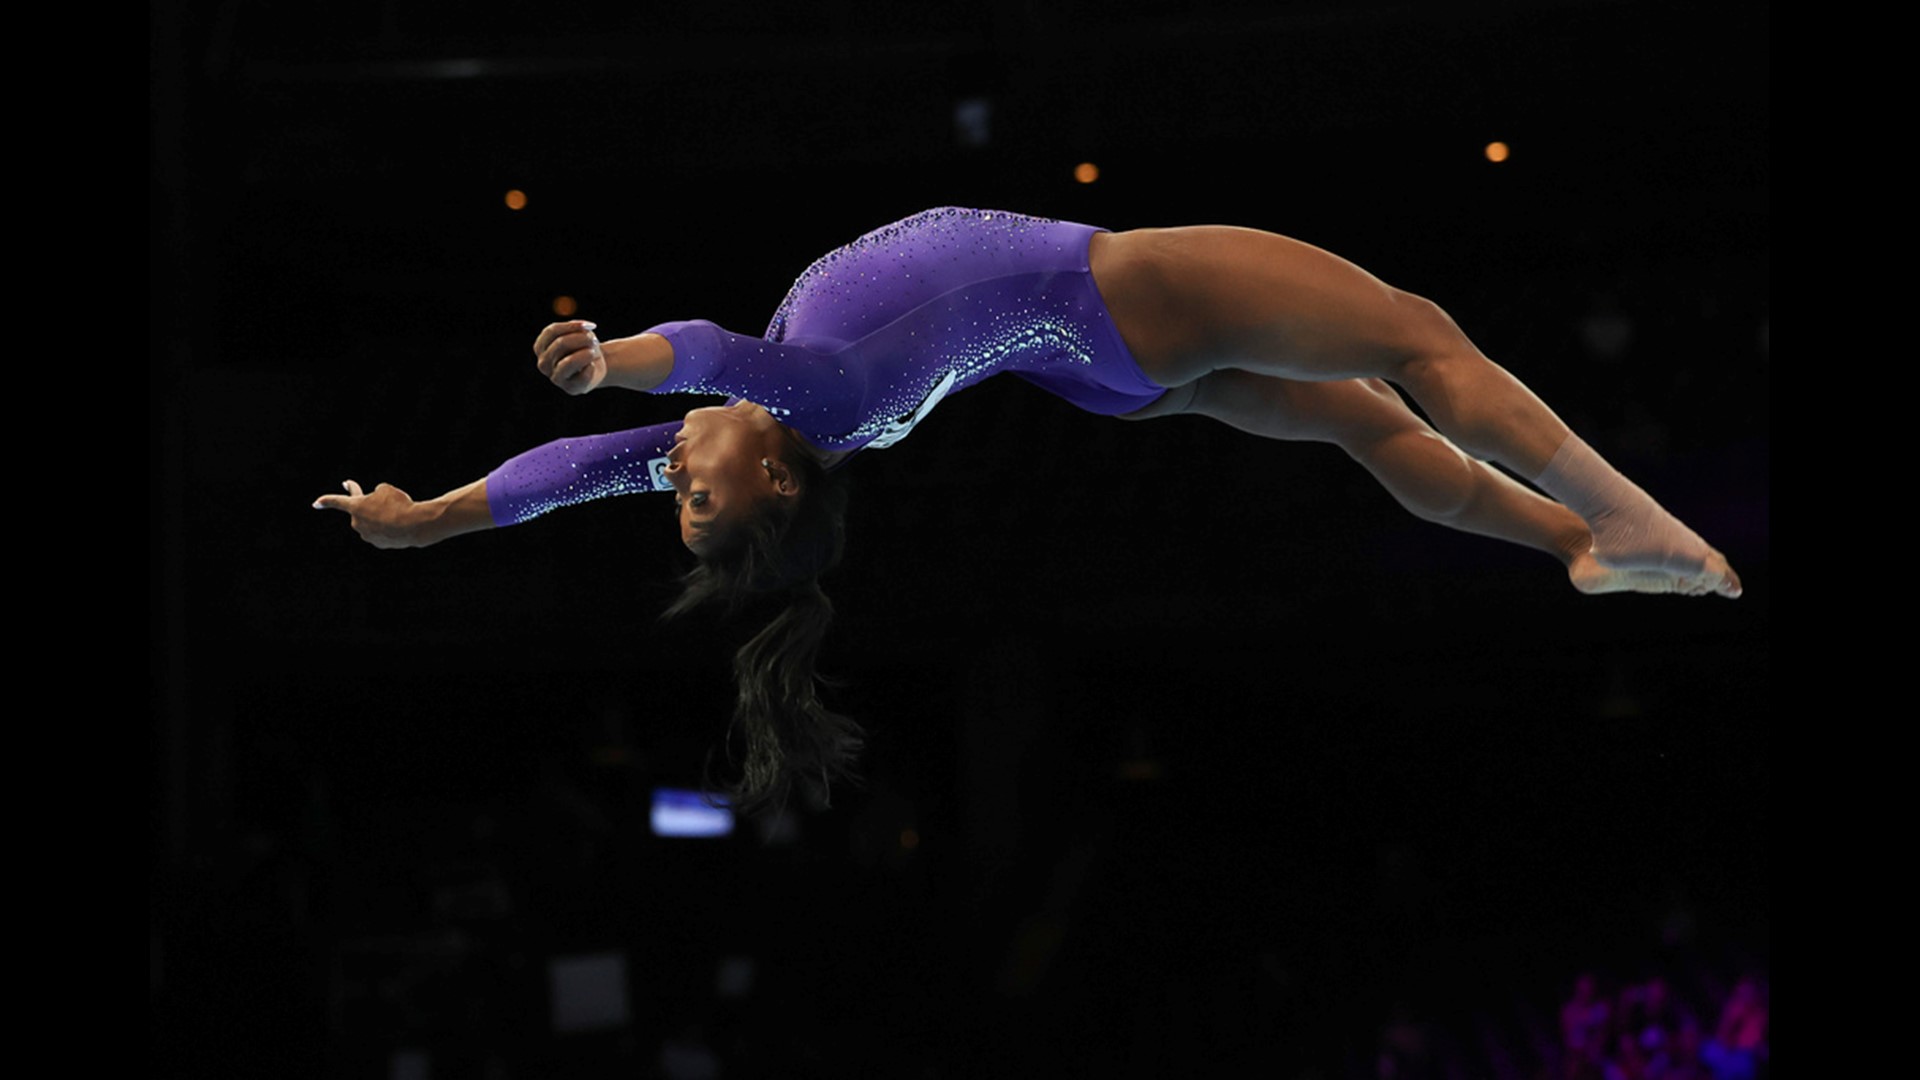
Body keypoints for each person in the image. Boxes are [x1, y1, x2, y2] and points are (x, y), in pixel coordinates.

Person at [315, 207, 1742, 809]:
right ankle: (1620, 517)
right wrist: (606, 361)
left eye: (672, 486)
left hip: (1106, 377)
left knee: (1361, 422)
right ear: (778, 479)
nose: (672, 468)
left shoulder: (782, 435)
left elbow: (567, 479)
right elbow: (692, 351)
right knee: (1413, 340)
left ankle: (1572, 549)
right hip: (1107, 297)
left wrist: (423, 518)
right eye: (699, 490)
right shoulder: (799, 390)